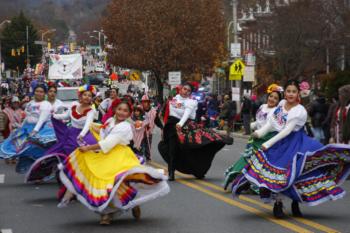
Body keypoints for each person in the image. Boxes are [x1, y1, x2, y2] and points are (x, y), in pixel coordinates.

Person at [231, 80, 350, 218]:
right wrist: (259, 132)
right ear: (285, 93)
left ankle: (295, 202)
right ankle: (278, 204)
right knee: (279, 175)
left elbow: (287, 131)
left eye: (294, 91)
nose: (291, 94)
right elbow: (271, 123)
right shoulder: (281, 105)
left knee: (295, 173)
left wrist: (268, 144)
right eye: (288, 91)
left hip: (296, 143)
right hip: (280, 143)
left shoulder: (299, 111)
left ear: (298, 93)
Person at [57, 98, 169, 225]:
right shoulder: (110, 121)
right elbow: (103, 131)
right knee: (105, 184)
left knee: (115, 183)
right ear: (115, 109)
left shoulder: (125, 127)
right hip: (105, 155)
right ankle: (108, 213)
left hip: (119, 156)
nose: (122, 112)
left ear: (128, 114)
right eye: (119, 109)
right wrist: (89, 125)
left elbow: (108, 142)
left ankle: (120, 209)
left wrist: (88, 147)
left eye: (125, 111)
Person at [158, 83, 233, 181]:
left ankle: (198, 170)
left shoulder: (192, 102)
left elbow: (186, 113)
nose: (186, 91)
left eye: (188, 90)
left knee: (193, 148)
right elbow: (165, 114)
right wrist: (163, 128)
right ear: (180, 89)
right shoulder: (172, 100)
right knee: (172, 149)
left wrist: (180, 124)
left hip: (186, 127)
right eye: (184, 89)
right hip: (172, 127)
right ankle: (171, 173)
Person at [25, 85, 98, 183]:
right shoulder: (74, 106)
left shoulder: (91, 111)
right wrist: (54, 116)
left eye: (89, 96)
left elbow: (88, 124)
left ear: (91, 99)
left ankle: (79, 176)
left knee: (82, 156)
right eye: (85, 95)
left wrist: (82, 135)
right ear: (80, 96)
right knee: (62, 152)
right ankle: (64, 173)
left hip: (83, 136)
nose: (87, 97)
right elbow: (66, 116)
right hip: (70, 134)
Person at [224, 84, 283, 191]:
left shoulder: (277, 112)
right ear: (267, 96)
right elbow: (259, 121)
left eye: (276, 98)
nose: (272, 99)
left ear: (278, 101)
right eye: (271, 96)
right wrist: (252, 125)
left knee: (259, 164)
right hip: (255, 138)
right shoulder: (262, 107)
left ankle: (256, 185)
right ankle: (239, 180)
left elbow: (270, 126)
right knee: (247, 160)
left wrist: (259, 132)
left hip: (266, 139)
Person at [0, 84, 56, 173]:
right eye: (37, 91)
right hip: (27, 128)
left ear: (44, 93)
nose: (39, 93)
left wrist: (35, 131)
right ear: (34, 92)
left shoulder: (46, 104)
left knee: (36, 149)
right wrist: (20, 126)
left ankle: (43, 167)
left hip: (41, 130)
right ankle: (36, 168)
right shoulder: (30, 103)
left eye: (41, 92)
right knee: (15, 144)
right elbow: (27, 117)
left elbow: (42, 119)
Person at [140, 95, 163, 161]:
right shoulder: (139, 109)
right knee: (141, 145)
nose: (145, 104)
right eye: (143, 102)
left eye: (146, 102)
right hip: (140, 131)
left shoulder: (153, 111)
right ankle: (140, 156)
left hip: (149, 131)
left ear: (149, 102)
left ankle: (148, 157)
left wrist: (162, 127)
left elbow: (157, 120)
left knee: (148, 144)